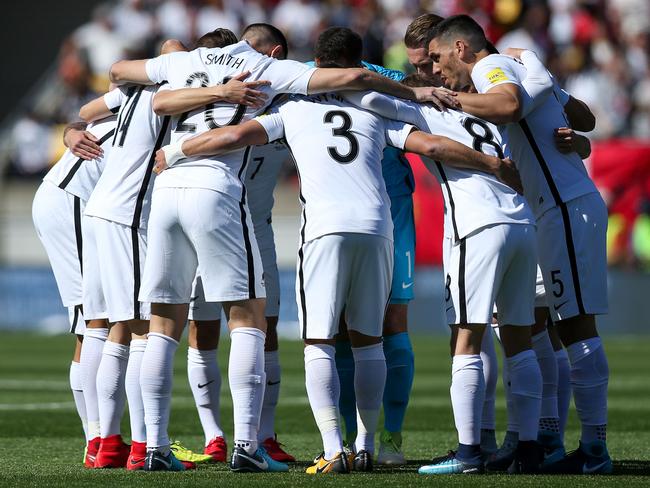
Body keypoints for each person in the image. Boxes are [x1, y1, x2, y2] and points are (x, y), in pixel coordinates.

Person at [153, 28, 521, 475]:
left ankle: (333, 448)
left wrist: (174, 153)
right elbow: (434, 145)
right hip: (377, 227)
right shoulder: (375, 107)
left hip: (325, 231)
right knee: (370, 340)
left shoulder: (295, 107)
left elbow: (231, 138)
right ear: (358, 63)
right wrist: (493, 165)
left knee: (319, 342)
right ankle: (367, 443)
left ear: (315, 64)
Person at [428, 15, 611, 474]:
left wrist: (455, 100)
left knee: (575, 326)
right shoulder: (523, 68)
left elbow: (507, 106)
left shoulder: (493, 70)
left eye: (437, 57)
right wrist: (543, 81)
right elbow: (583, 116)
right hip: (555, 206)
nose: (435, 70)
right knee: (547, 324)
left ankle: (594, 451)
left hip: (564, 205)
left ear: (461, 49)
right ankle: (556, 440)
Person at [32, 118, 115, 466]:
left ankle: (97, 438)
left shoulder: (144, 99)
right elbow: (86, 111)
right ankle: (97, 439)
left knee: (95, 320)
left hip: (69, 197)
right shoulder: (158, 97)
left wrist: (70, 131)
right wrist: (70, 131)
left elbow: (84, 113)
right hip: (74, 199)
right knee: (94, 320)